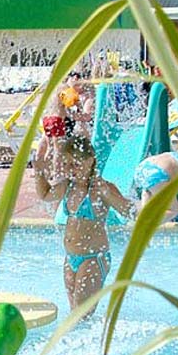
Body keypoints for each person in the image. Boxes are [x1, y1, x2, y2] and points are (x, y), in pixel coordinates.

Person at [32, 134, 132, 313]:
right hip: (71, 259)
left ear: (90, 161)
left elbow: (128, 211)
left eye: (75, 165)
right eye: (66, 164)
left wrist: (109, 194)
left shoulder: (102, 189)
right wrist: (39, 171)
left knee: (81, 314)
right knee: (74, 312)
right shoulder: (67, 186)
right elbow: (45, 195)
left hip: (94, 258)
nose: (70, 170)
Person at [129, 145, 178, 223]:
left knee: (147, 209)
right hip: (156, 174)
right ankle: (146, 228)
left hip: (142, 168)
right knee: (175, 212)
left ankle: (138, 222)